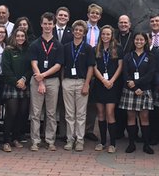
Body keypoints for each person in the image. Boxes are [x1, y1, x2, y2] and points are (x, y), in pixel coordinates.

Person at [28, 13, 64, 152]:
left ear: (54, 25)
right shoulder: (35, 44)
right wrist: (40, 78)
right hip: (37, 80)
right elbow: (33, 62)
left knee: (51, 113)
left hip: (52, 80)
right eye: (45, 23)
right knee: (36, 112)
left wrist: (43, 75)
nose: (47, 26)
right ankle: (35, 141)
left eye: (50, 23)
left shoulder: (58, 45)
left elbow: (58, 65)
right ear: (41, 24)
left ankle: (50, 140)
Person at [120, 32, 155, 154]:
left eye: (141, 40)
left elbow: (150, 74)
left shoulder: (150, 56)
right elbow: (125, 73)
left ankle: (146, 145)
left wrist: (138, 84)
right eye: (137, 39)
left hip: (144, 90)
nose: (139, 42)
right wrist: (134, 87)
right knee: (131, 117)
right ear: (133, 41)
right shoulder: (128, 56)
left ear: (145, 41)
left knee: (144, 117)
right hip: (130, 90)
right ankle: (131, 144)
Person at [61, 21, 93, 151]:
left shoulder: (88, 48)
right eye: (76, 30)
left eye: (81, 30)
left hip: (81, 81)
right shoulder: (66, 47)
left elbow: (91, 67)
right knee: (69, 113)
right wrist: (62, 81)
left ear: (84, 33)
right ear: (73, 31)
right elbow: (62, 66)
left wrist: (86, 84)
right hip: (68, 81)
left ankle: (80, 140)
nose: (78, 32)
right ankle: (70, 139)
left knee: (80, 114)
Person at [91, 25, 123, 152]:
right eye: (103, 34)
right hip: (100, 84)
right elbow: (94, 66)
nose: (105, 36)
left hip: (112, 85)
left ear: (112, 35)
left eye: (108, 34)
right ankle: (102, 141)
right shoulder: (95, 49)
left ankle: (112, 143)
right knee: (101, 113)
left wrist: (111, 81)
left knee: (110, 113)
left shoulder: (118, 48)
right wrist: (103, 80)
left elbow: (120, 66)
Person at [1, 29, 31, 151]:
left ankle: (16, 138)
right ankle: (6, 141)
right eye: (18, 36)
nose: (20, 38)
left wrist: (24, 80)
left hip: (24, 85)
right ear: (14, 36)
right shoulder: (8, 50)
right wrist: (16, 82)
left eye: (22, 36)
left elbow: (31, 68)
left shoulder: (28, 50)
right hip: (11, 85)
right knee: (11, 113)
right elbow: (6, 69)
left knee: (21, 113)